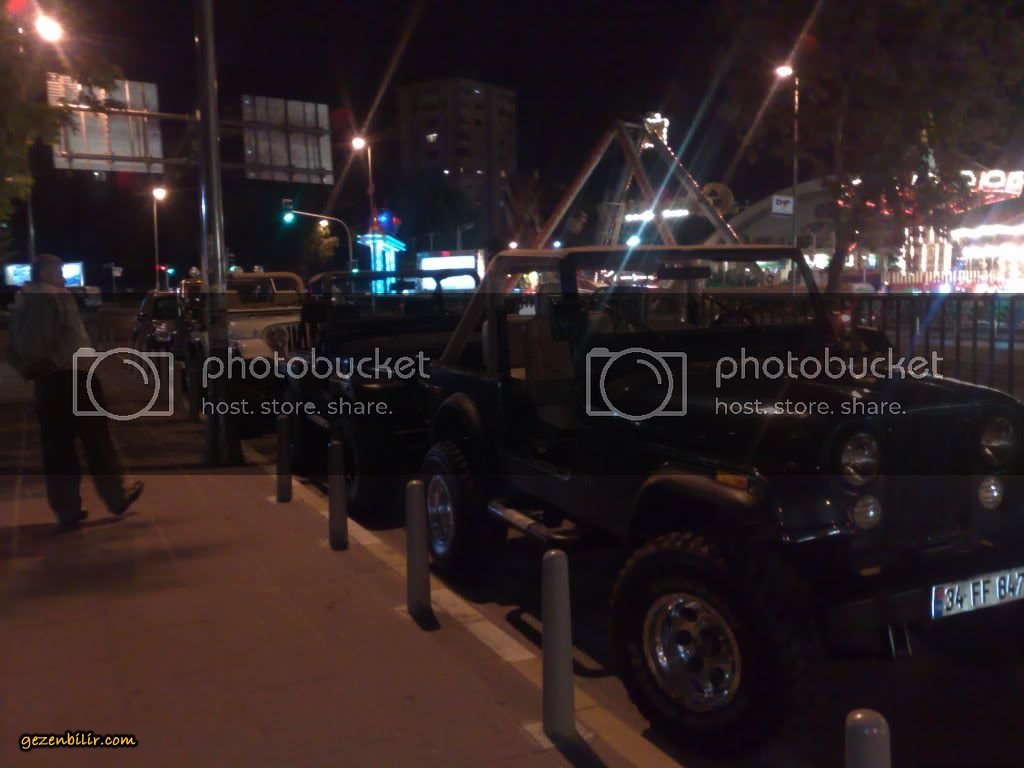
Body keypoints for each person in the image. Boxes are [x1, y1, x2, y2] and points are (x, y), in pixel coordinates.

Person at [7, 254, 143, 529]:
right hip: (74, 375)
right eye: (58, 271)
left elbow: (12, 345)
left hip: (46, 383)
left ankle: (66, 509)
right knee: (97, 440)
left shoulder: (22, 302)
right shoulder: (57, 297)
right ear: (44, 272)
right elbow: (66, 337)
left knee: (57, 448)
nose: (63, 276)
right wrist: (54, 361)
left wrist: (28, 368)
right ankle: (116, 495)